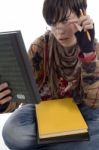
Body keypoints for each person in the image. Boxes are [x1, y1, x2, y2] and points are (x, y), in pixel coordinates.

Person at [1, 0, 99, 149]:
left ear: (82, 13)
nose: (59, 32)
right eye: (53, 23)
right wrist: (4, 102)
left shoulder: (94, 48)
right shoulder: (40, 46)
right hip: (45, 108)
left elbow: (94, 103)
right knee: (13, 133)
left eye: (65, 20)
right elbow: (22, 94)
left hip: (82, 108)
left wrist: (88, 52)